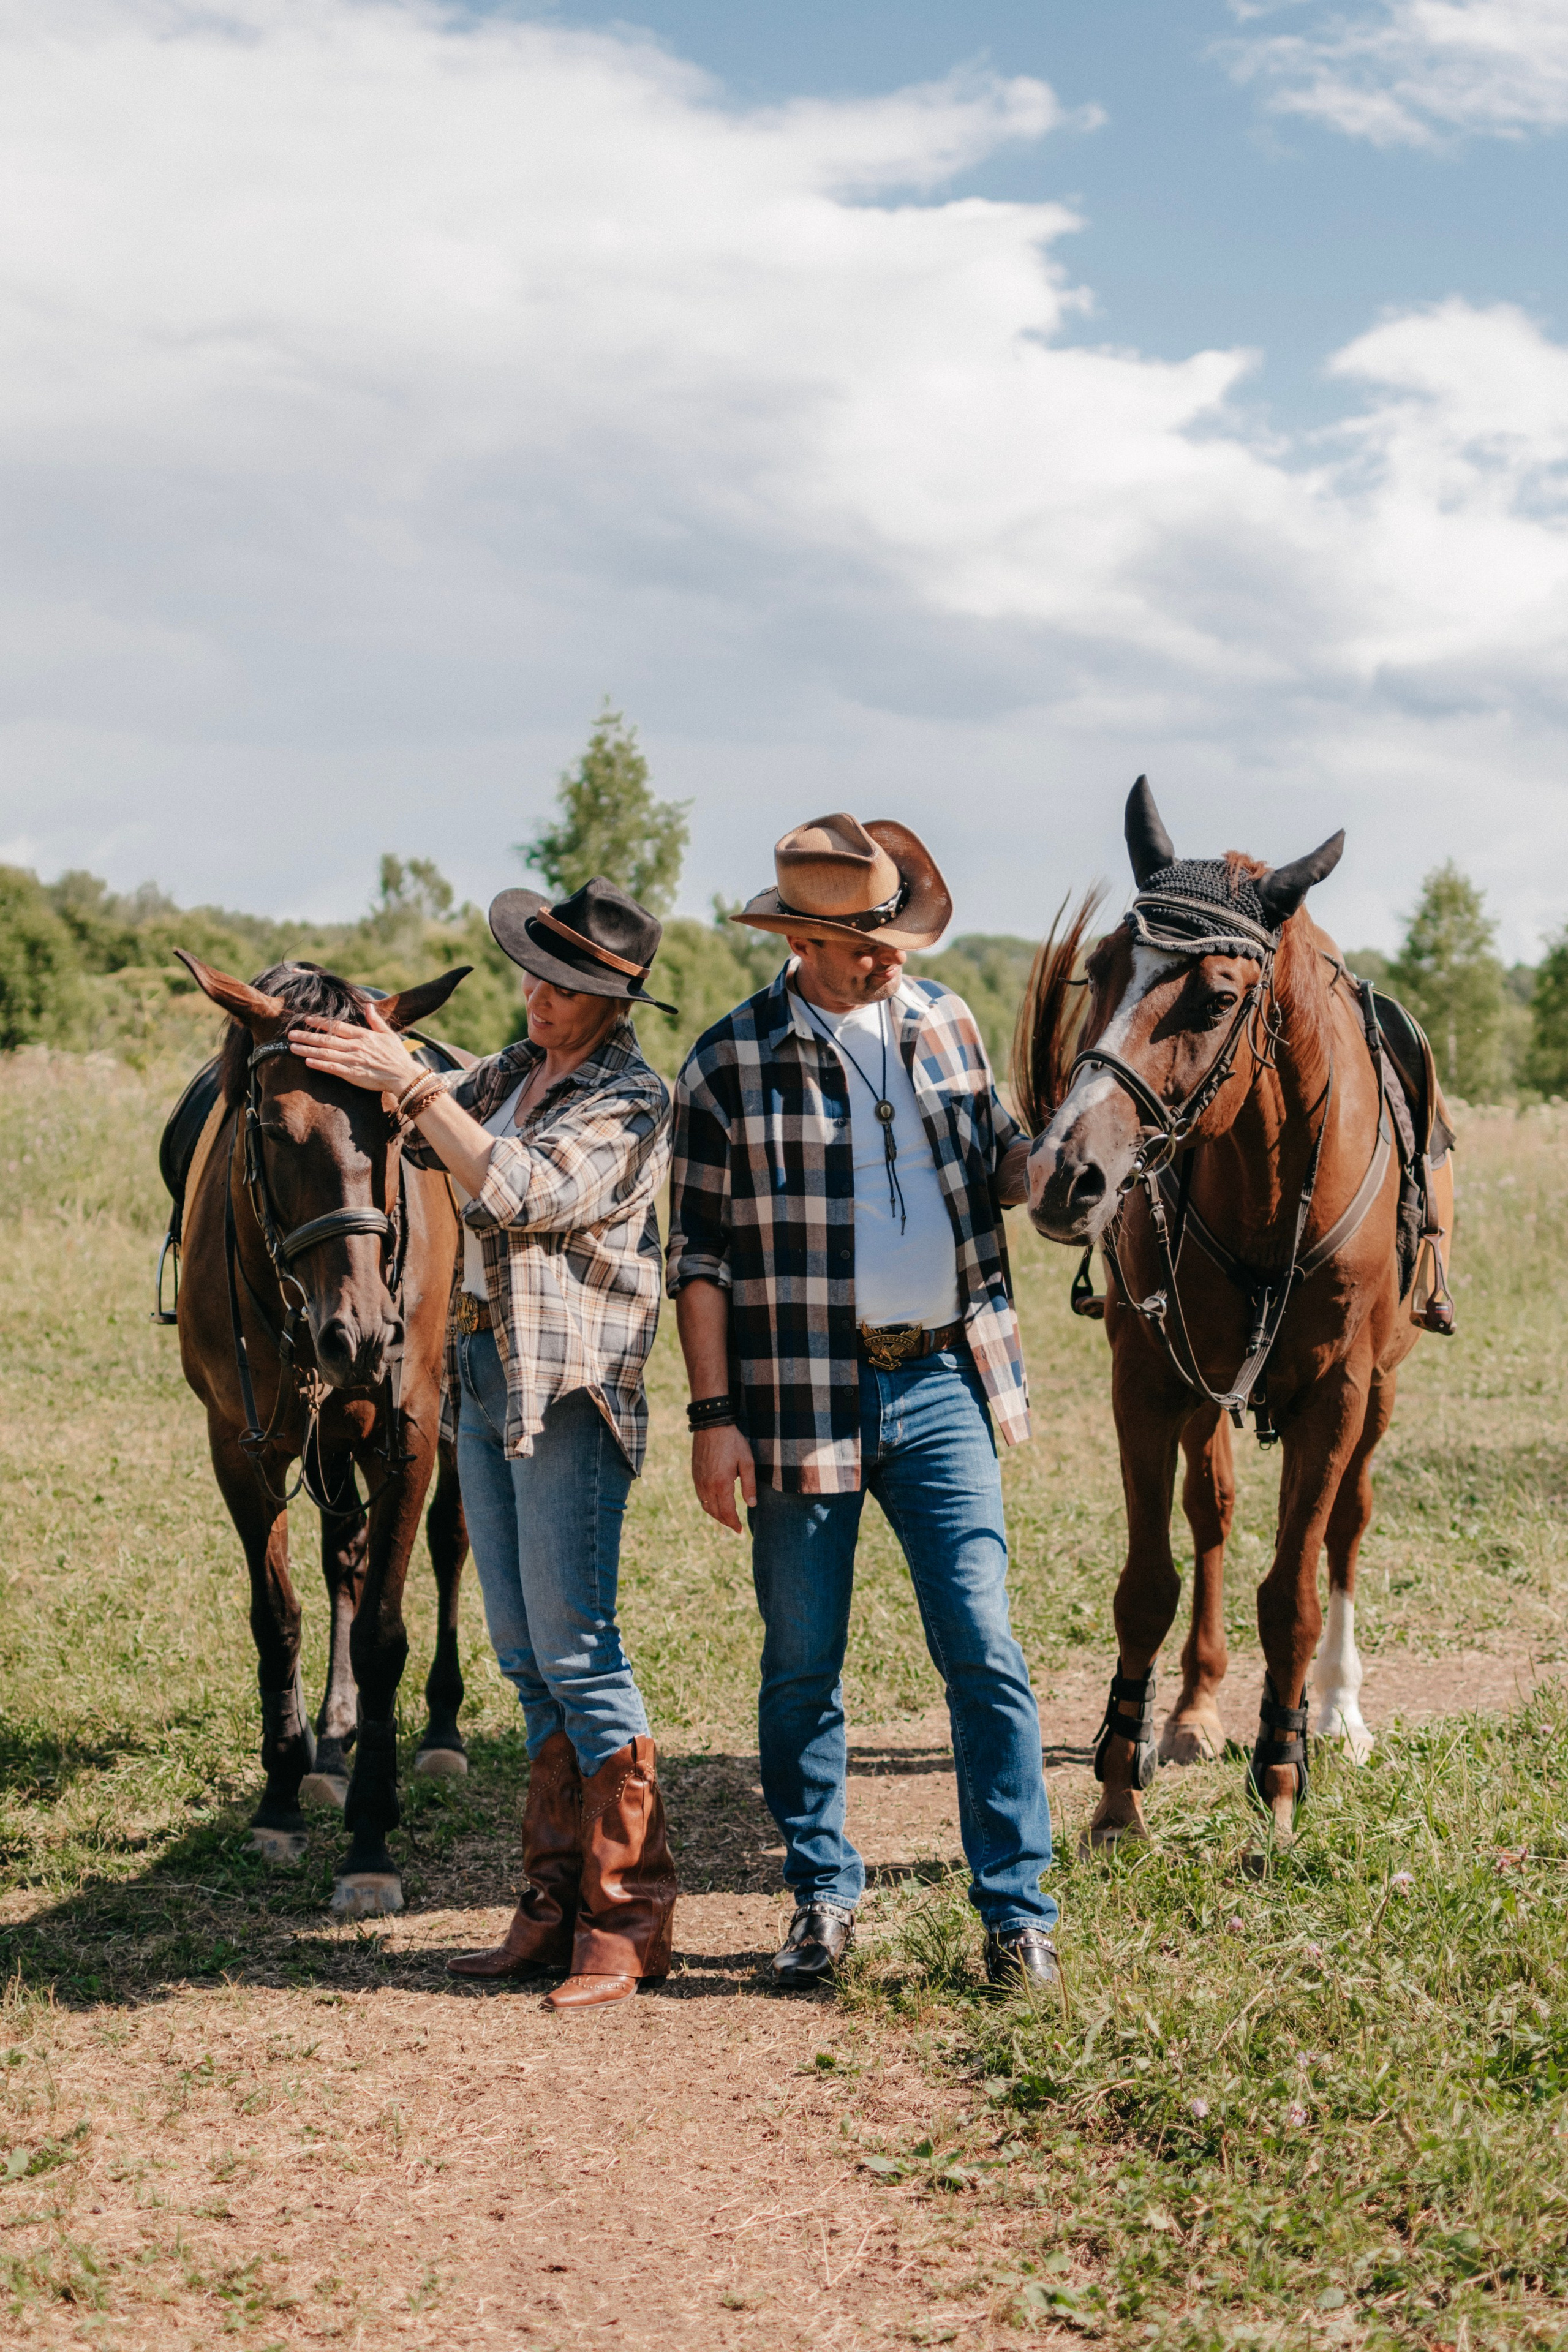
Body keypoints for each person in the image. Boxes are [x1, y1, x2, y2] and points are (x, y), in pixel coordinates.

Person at [666, 815, 1057, 1994]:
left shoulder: (945, 1022)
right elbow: (698, 1261)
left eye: (888, 935)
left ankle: (1016, 1913)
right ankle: (820, 1897)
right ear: (797, 938)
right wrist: (711, 1415)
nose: (886, 959)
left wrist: (1061, 1153)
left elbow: (998, 1163)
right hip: (796, 1397)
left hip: (942, 1379)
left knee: (984, 1648)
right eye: (856, 943)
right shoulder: (727, 1063)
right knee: (801, 1666)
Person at [288, 876, 679, 2012]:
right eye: (533, 974)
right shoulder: (513, 1072)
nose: (536, 996)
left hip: (566, 1392)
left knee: (579, 1644)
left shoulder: (632, 1099)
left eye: (563, 985)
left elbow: (516, 1187)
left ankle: (627, 1917)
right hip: (479, 1375)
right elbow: (423, 1115)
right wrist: (368, 1057)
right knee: (520, 1651)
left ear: (612, 999)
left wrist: (410, 1081)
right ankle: (554, 1905)